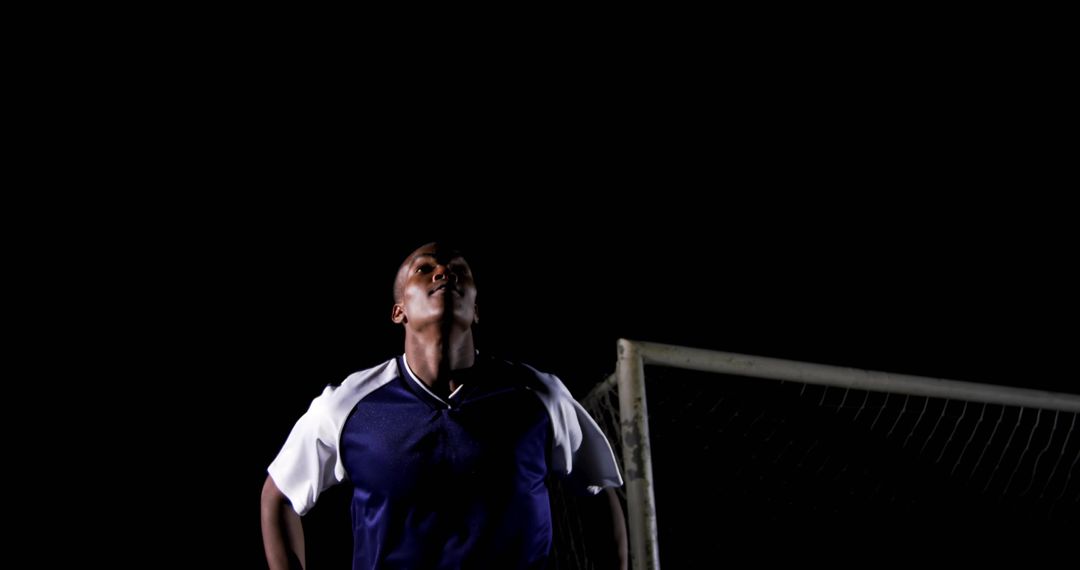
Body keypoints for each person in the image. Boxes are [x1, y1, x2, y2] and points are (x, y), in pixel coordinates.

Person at [261, 242, 627, 569]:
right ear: (398, 311)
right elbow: (278, 497)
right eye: (424, 268)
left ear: (476, 310)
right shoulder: (348, 405)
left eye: (459, 271)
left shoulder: (540, 396)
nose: (443, 272)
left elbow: (597, 487)